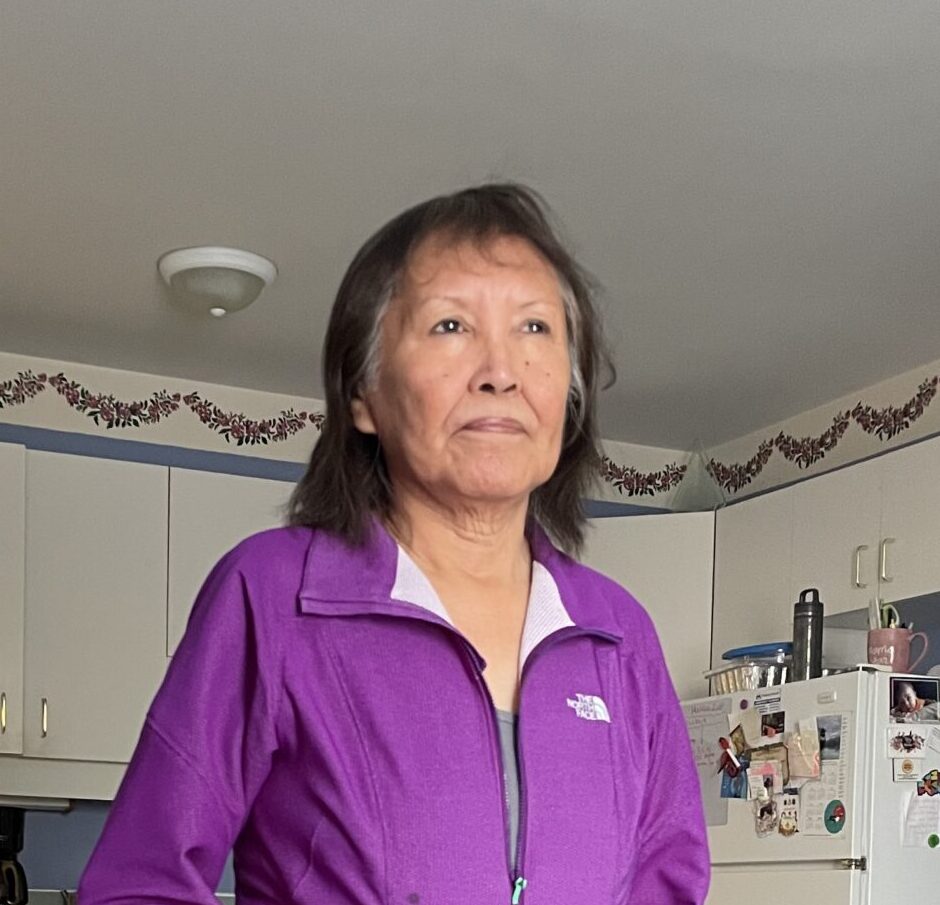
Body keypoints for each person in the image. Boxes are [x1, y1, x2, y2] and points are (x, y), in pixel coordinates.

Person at [79, 183, 710, 904]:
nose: (500, 372)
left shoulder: (618, 634)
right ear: (364, 393)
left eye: (534, 328)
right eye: (450, 326)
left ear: (569, 396)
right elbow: (142, 881)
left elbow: (669, 883)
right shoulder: (274, 597)